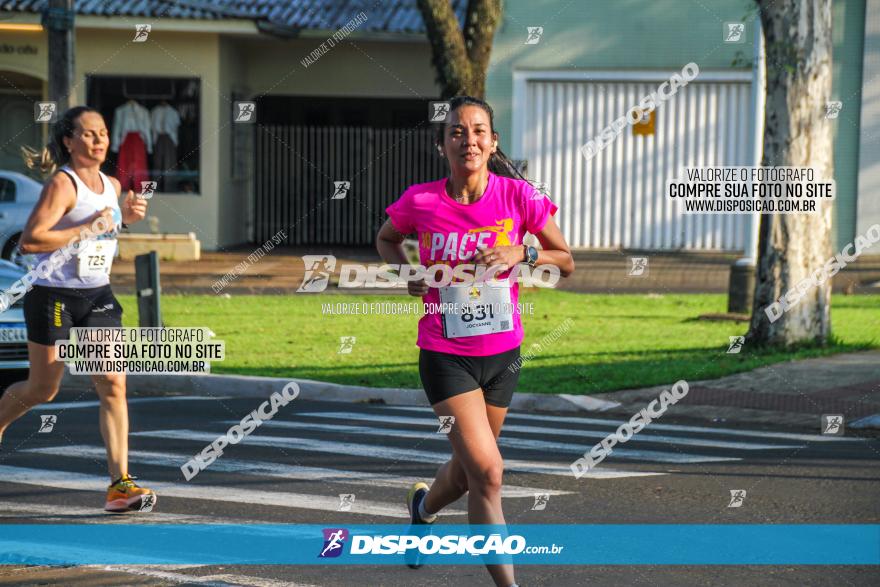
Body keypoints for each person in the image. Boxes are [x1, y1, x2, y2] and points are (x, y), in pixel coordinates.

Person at [376, 96, 575, 587]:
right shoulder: (421, 201)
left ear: (494, 142)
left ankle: (422, 509)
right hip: (446, 357)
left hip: (503, 356)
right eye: (458, 132)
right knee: (488, 474)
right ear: (442, 145)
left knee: (468, 473)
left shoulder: (518, 197)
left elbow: (565, 260)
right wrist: (406, 272)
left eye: (479, 131)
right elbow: (386, 238)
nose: (469, 140)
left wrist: (522, 250)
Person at [0, 106, 154, 513]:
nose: (99, 140)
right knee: (43, 389)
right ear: (69, 141)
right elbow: (31, 241)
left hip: (97, 295)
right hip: (52, 296)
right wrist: (86, 228)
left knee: (113, 384)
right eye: (88, 134)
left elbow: (105, 230)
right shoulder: (62, 185)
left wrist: (130, 218)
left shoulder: (112, 184)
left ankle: (120, 484)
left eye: (102, 132)